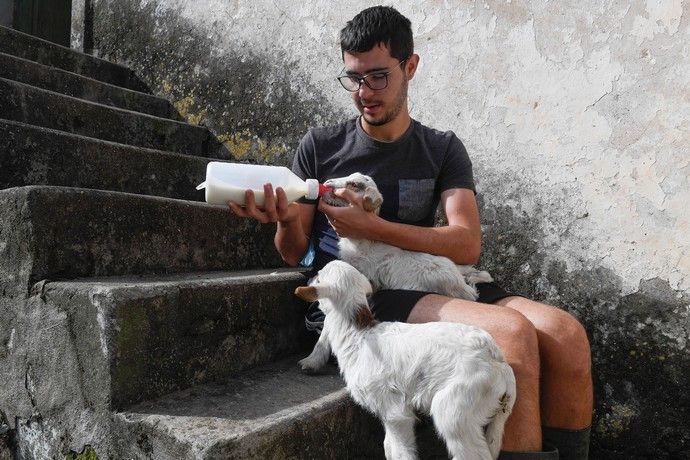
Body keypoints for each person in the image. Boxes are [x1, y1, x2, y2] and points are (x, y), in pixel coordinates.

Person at [228, 5, 592, 459]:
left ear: (411, 66)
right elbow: (295, 253)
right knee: (512, 334)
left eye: (378, 76)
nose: (364, 92)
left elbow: (466, 241)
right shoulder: (321, 146)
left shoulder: (441, 148)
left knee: (566, 334)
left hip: (433, 274)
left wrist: (376, 226)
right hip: (371, 291)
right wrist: (284, 220)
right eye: (354, 78)